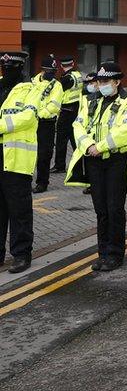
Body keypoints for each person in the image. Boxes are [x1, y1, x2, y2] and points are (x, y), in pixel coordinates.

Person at [65, 62, 127, 272]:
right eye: (99, 82)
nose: (101, 85)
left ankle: (115, 254)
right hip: (94, 161)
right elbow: (78, 125)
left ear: (117, 82)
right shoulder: (90, 101)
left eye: (105, 81)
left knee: (114, 209)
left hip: (115, 162)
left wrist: (100, 146)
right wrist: (88, 145)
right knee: (101, 210)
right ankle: (102, 253)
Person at [0, 52, 40, 273]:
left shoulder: (30, 89)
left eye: (11, 66)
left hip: (17, 159)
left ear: (20, 67)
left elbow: (27, 118)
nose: (6, 70)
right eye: (4, 66)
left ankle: (22, 254)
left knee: (19, 211)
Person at [31, 55, 64, 194]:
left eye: (53, 71)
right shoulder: (33, 82)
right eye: (49, 70)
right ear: (43, 70)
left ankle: (42, 182)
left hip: (46, 123)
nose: (51, 73)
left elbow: (54, 106)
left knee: (44, 155)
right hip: (30, 122)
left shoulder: (57, 85)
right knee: (29, 153)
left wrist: (37, 114)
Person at [52, 56, 83, 173]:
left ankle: (59, 166)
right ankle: (79, 164)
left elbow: (57, 92)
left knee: (61, 141)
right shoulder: (78, 75)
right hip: (76, 111)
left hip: (66, 112)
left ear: (61, 66)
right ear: (73, 64)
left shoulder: (66, 79)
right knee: (75, 140)